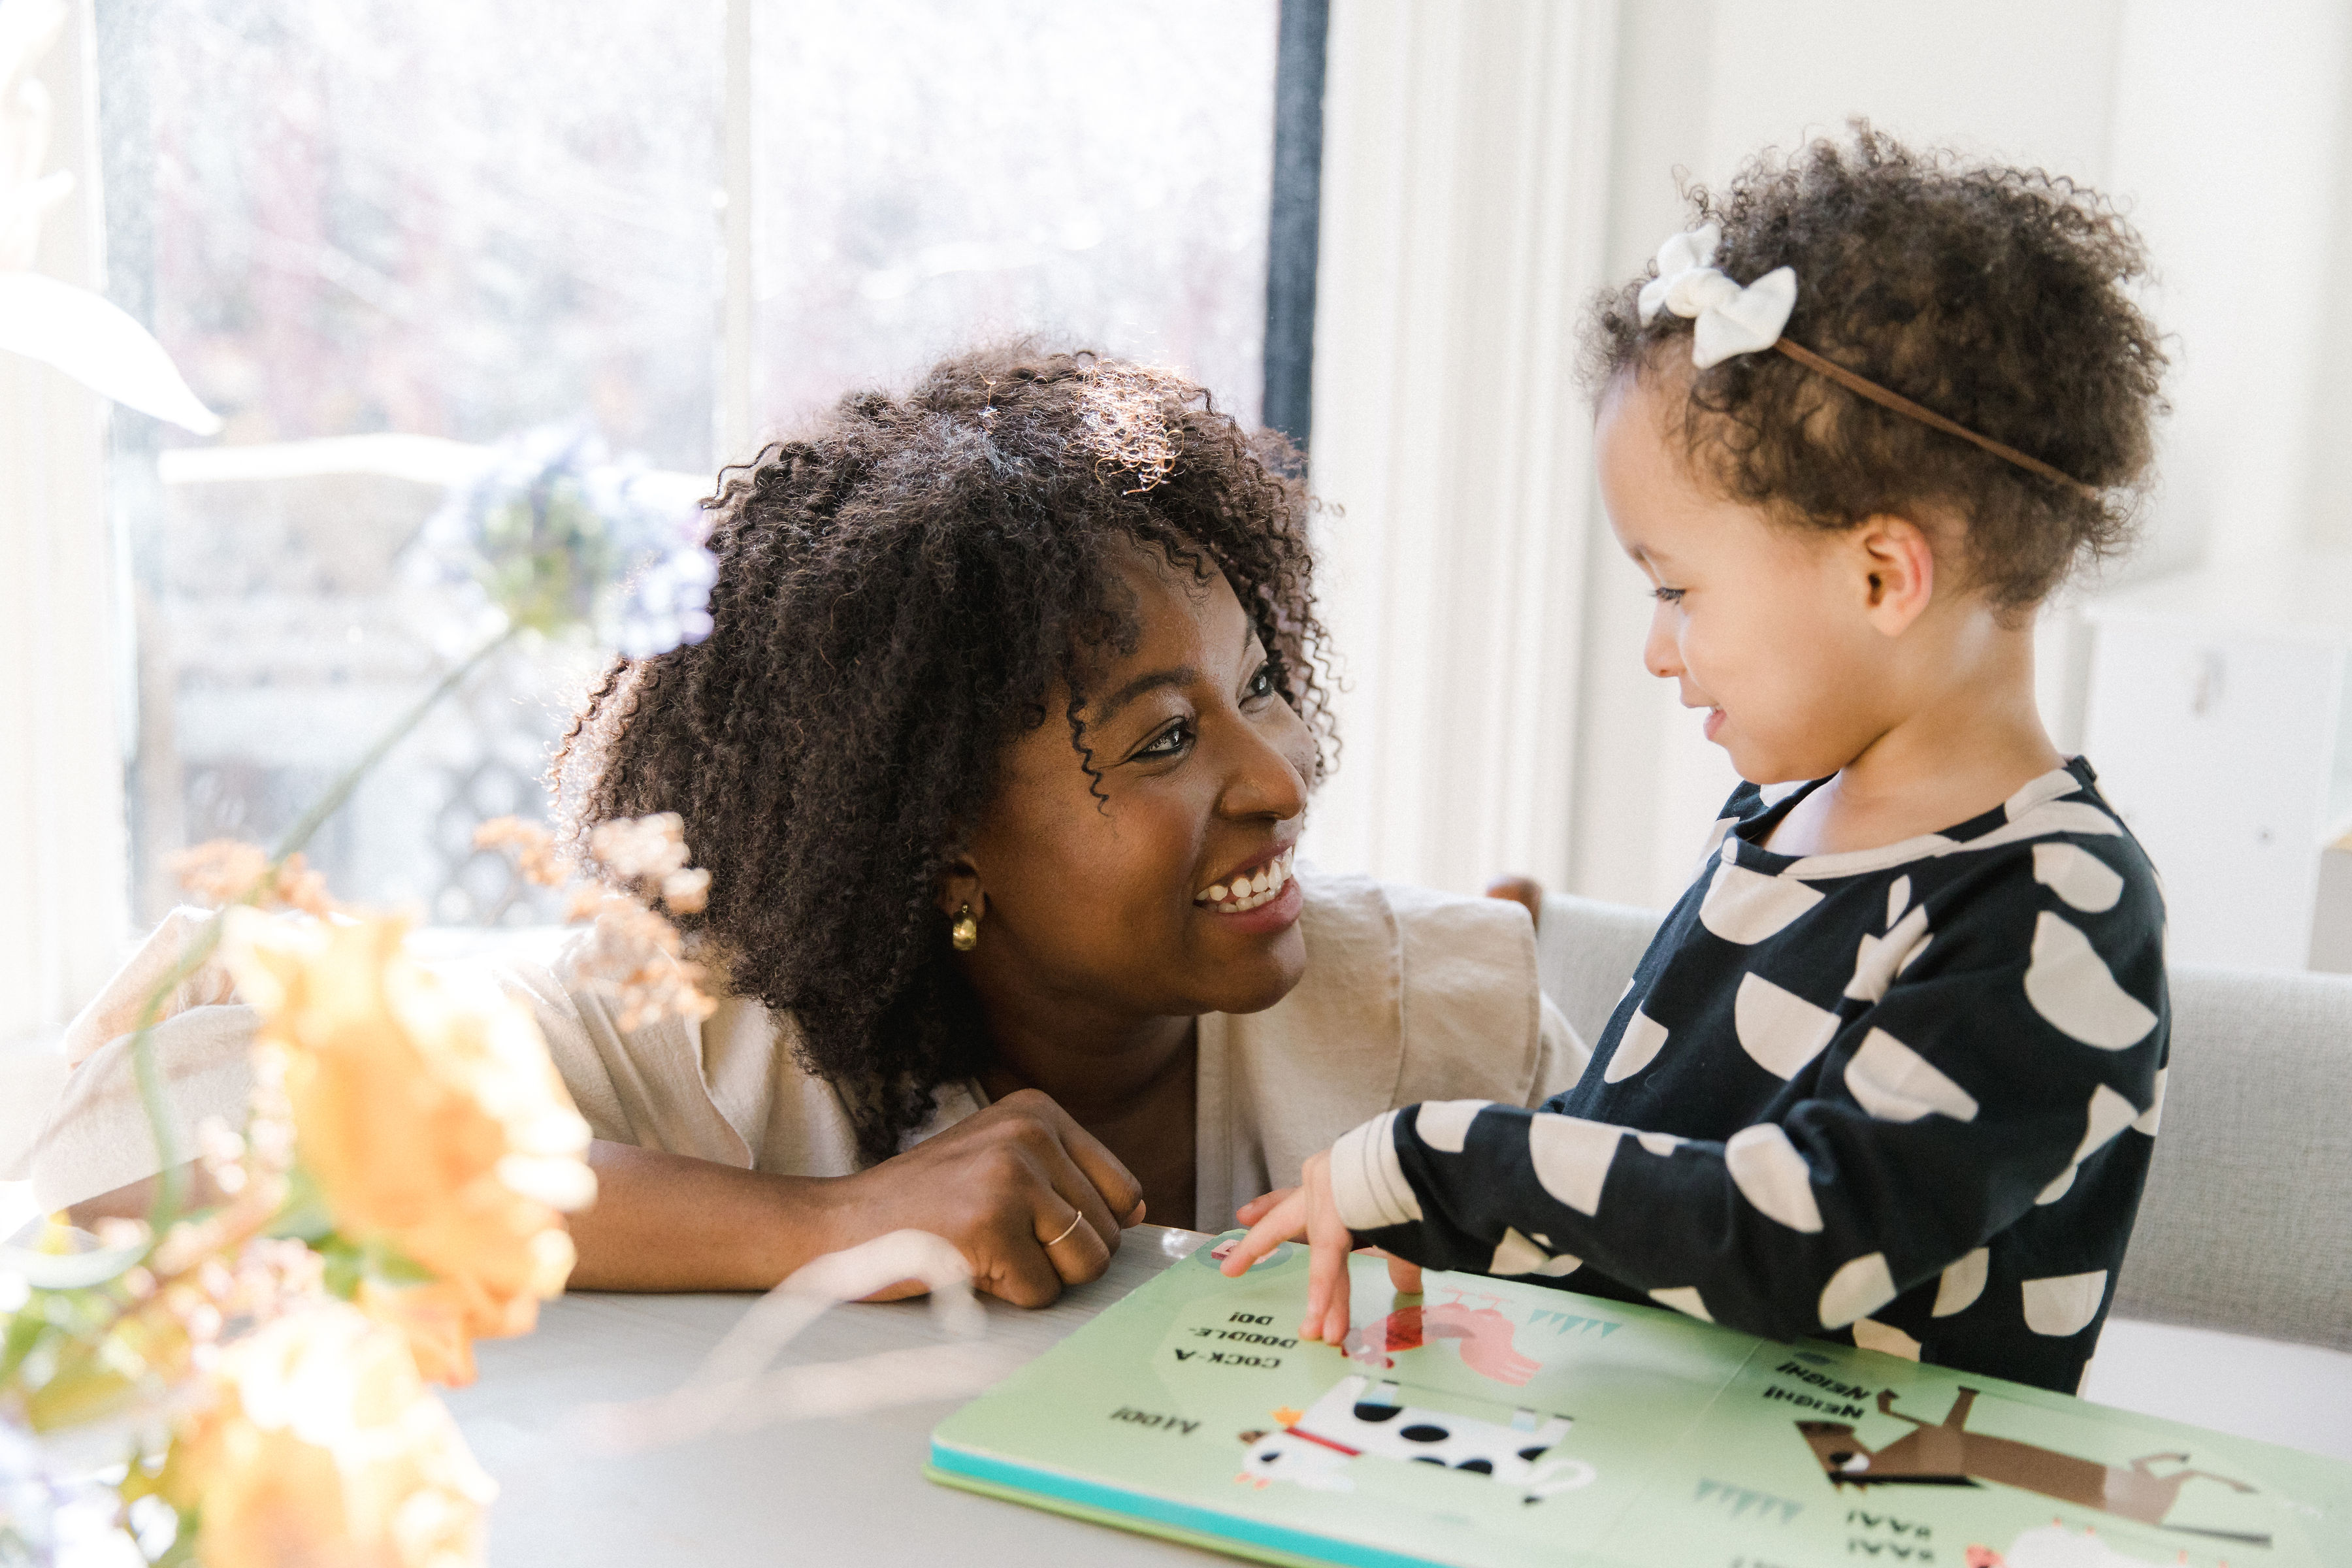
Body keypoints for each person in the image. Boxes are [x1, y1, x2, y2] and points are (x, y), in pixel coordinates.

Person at [36, 348, 1584, 1308]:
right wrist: (818, 1222)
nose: (1282, 780)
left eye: (1262, 689)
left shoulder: (1435, 1022)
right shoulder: (707, 1045)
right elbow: (136, 1150)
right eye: (1167, 737)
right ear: (937, 836)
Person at [1225, 129, 2170, 1396]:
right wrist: (1458, 1234)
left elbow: (1790, 1236)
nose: (1660, 653)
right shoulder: (1777, 818)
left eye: (1676, 589)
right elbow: (1635, 1159)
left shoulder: (2056, 911)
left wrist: (1443, 1162)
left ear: (1882, 575)